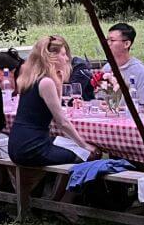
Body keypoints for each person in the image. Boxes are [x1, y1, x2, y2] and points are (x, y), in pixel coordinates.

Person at [8, 35, 94, 166]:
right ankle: (67, 187)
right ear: (52, 57)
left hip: (16, 144)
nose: (67, 59)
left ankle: (50, 186)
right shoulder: (46, 82)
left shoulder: (30, 78)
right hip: (33, 149)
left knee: (69, 146)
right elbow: (62, 122)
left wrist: (59, 79)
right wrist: (85, 145)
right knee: (86, 154)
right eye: (63, 54)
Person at [102, 23, 144, 105]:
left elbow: (143, 105)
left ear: (127, 44)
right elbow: (100, 99)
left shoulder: (142, 72)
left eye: (112, 40)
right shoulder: (106, 68)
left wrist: (119, 109)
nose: (107, 44)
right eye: (107, 40)